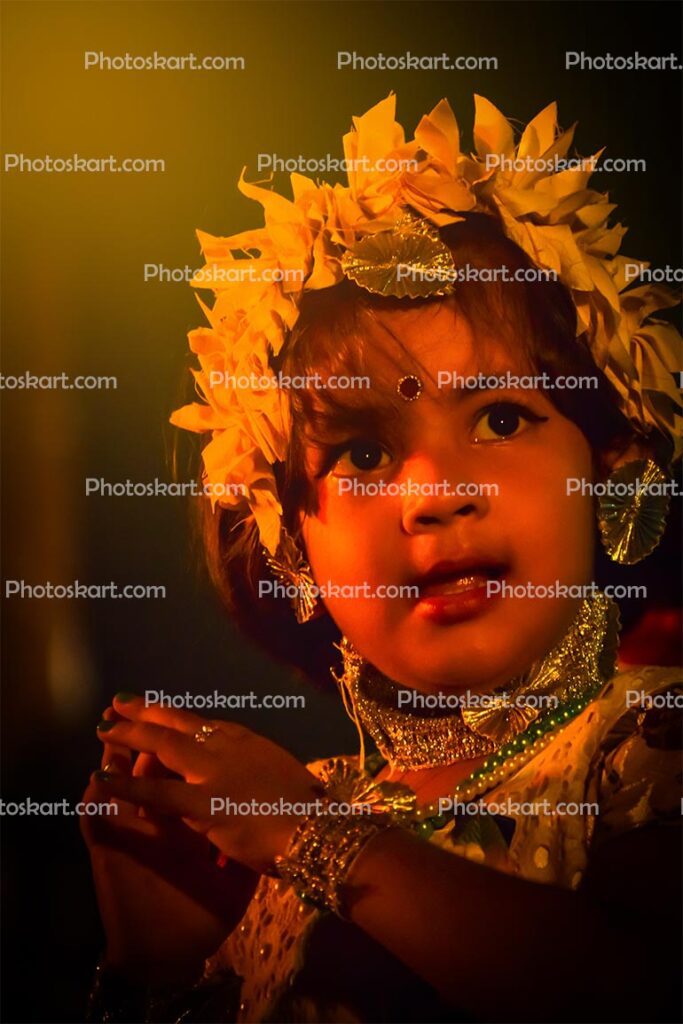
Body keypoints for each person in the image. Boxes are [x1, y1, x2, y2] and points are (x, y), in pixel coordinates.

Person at [82, 94, 682, 1023]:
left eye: (500, 418)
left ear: (612, 472)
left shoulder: (645, 747)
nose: (435, 492)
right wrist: (157, 966)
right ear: (291, 549)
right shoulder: (279, 815)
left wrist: (325, 845)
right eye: (362, 454)